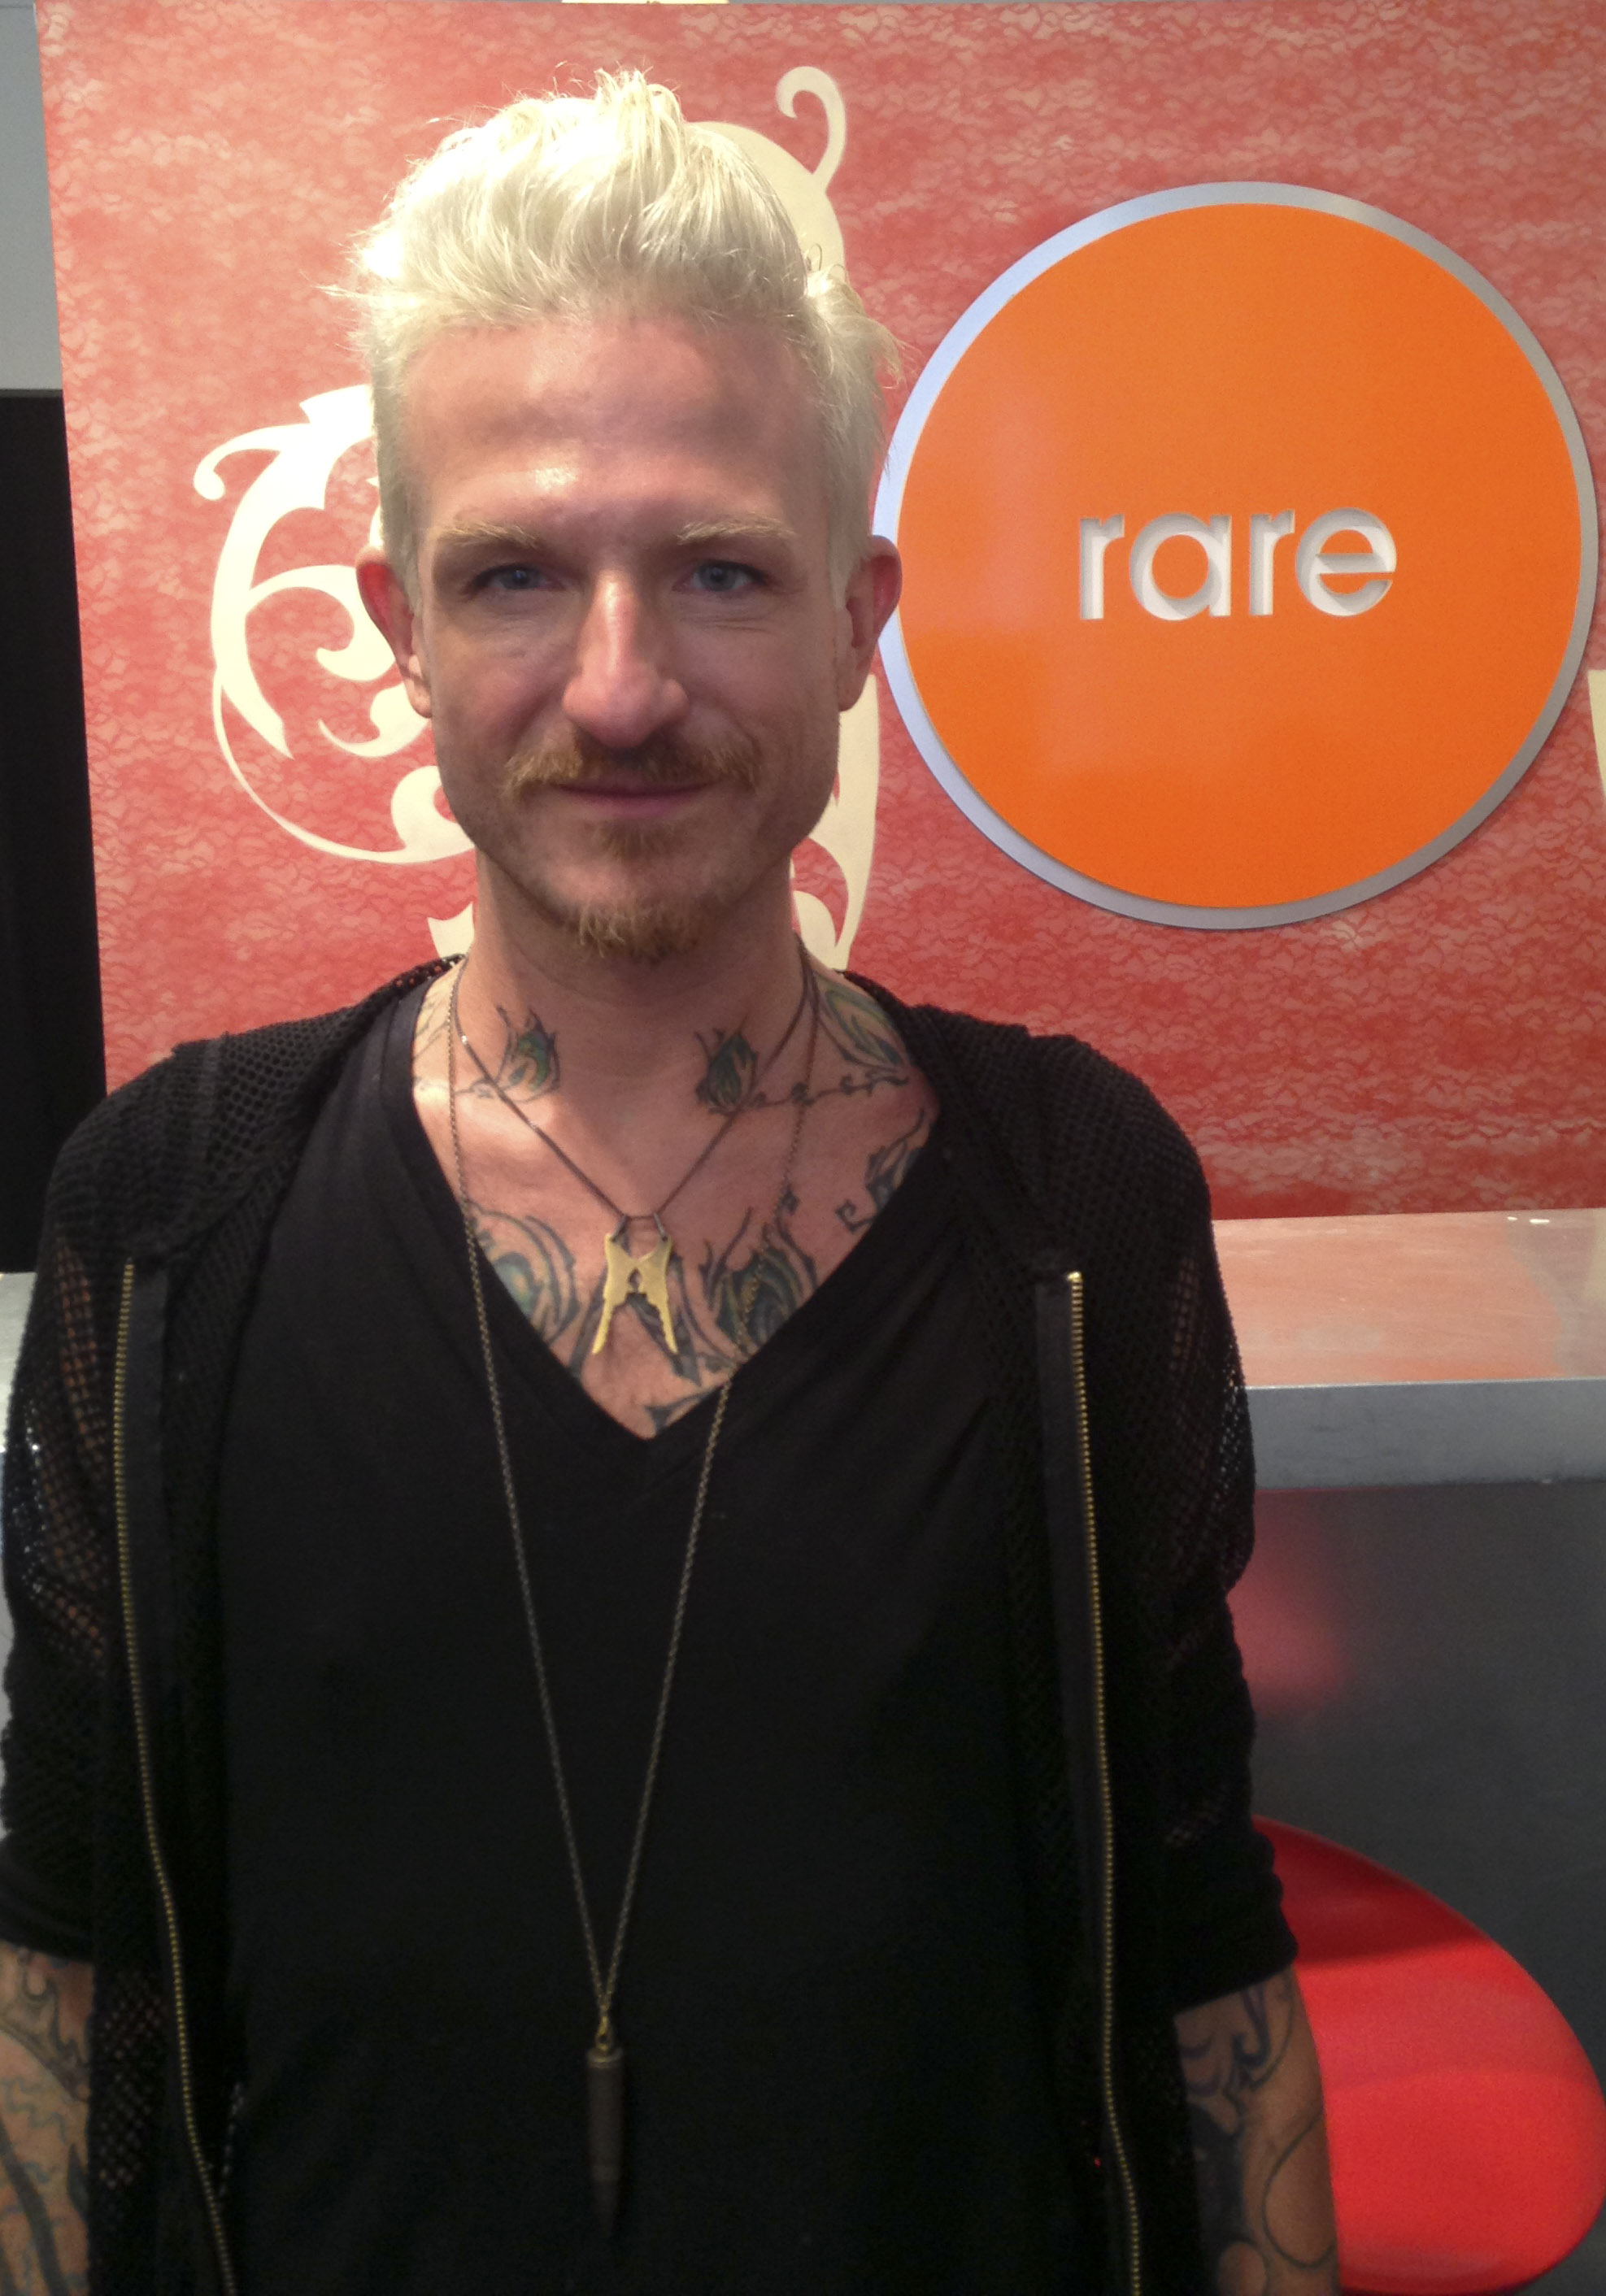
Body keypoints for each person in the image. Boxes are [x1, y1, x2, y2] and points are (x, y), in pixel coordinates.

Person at [0, 74, 1337, 2295]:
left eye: (719, 572)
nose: (618, 691)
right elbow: (70, 1968)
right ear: (398, 623)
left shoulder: (1079, 1207)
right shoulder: (165, 1219)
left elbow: (1199, 1935)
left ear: (855, 619)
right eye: (515, 575)